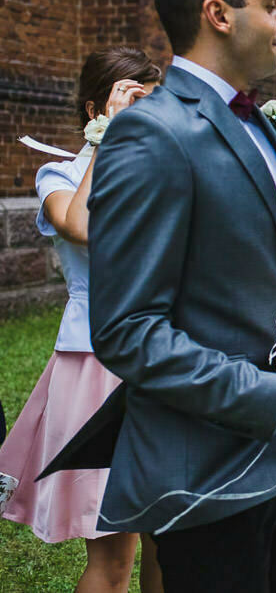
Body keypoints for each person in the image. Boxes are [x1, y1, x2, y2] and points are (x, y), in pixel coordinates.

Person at [45, 0, 276, 593]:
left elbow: (258, 282)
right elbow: (126, 330)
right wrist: (270, 398)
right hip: (206, 474)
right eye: (272, 5)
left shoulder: (260, 125)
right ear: (219, 14)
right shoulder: (150, 132)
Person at [0, 46, 163, 592]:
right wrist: (107, 139)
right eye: (132, 102)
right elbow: (83, 228)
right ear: (96, 110)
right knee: (114, 555)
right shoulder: (59, 175)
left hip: (167, 355)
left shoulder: (165, 173)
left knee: (170, 545)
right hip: (97, 363)